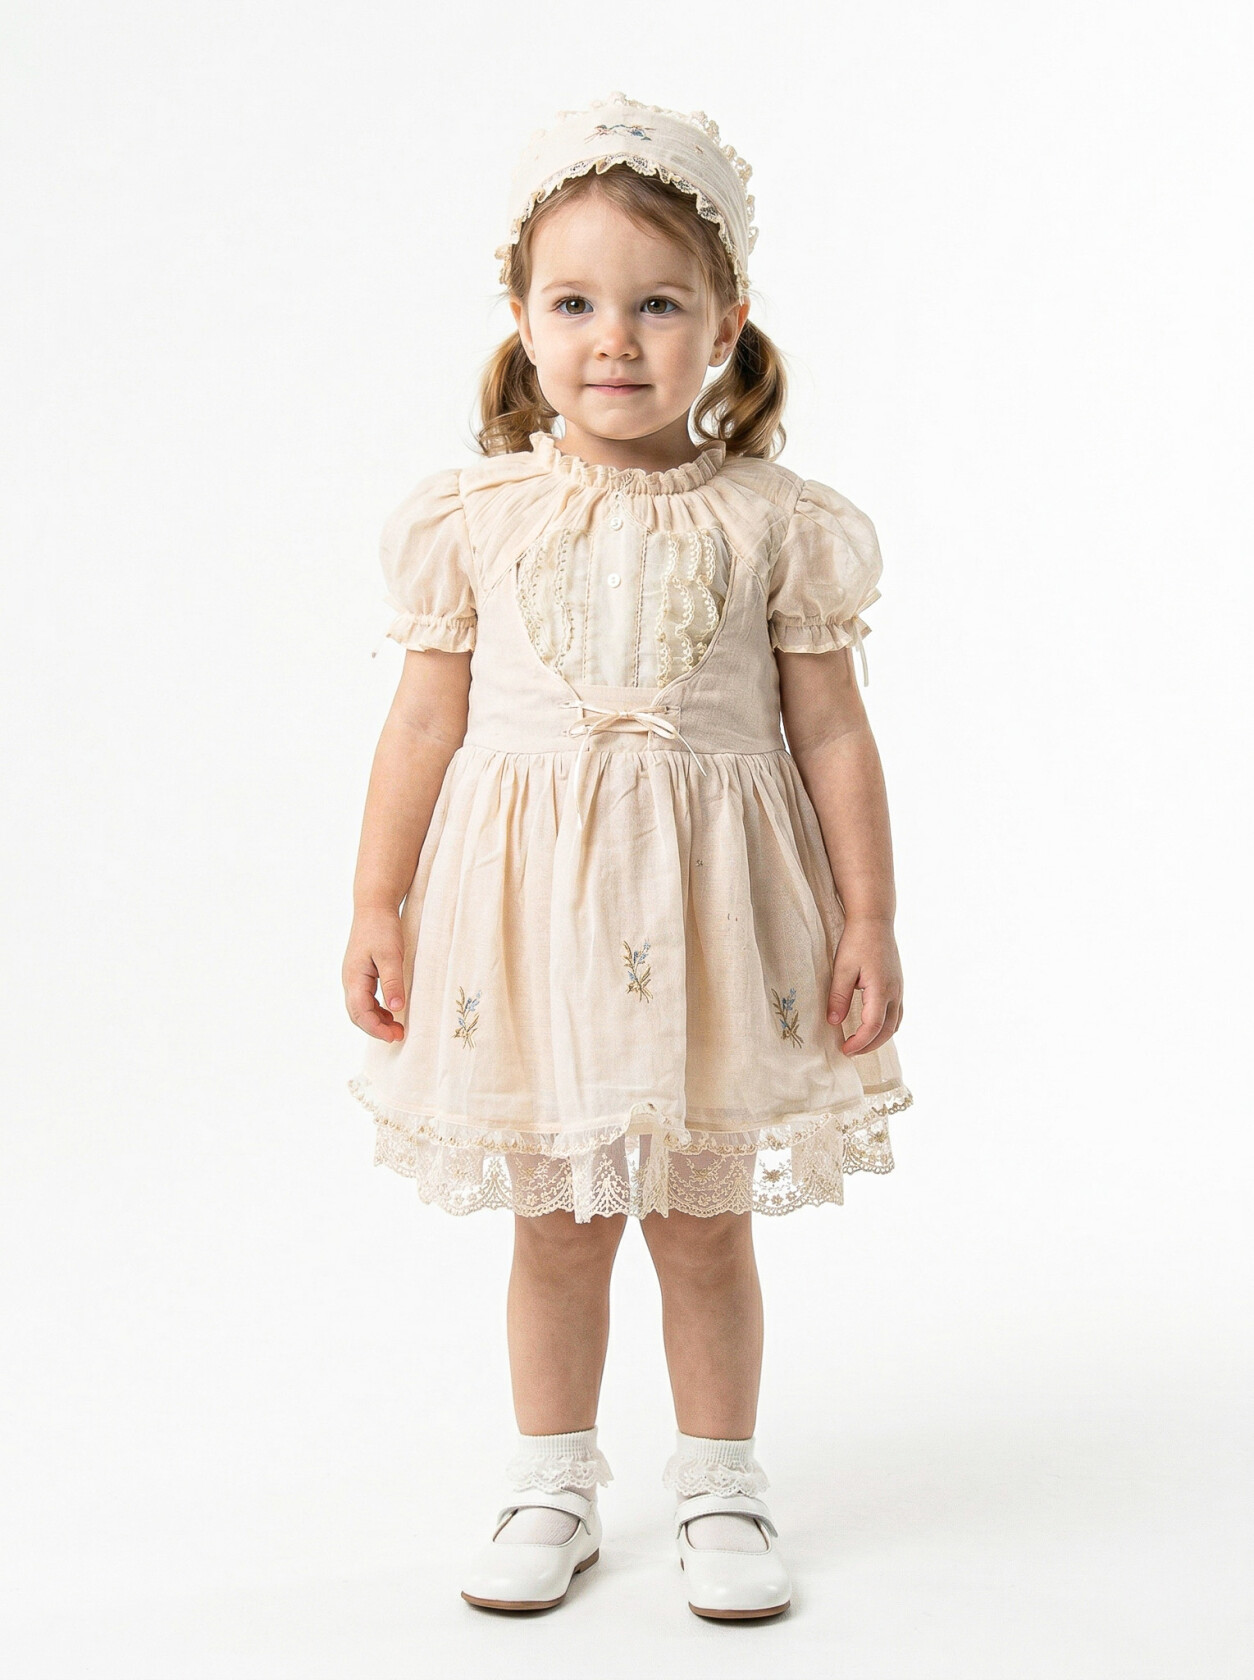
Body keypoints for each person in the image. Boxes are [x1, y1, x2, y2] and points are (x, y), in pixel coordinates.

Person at [342, 91, 914, 1621]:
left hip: (710, 923)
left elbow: (832, 732)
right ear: (522, 321)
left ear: (724, 324)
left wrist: (869, 915)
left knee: (704, 1222)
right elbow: (421, 724)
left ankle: (720, 1480)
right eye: (575, 304)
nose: (614, 339)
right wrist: (377, 900)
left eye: (657, 304)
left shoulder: (774, 521)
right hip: (529, 926)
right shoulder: (474, 518)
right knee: (556, 1223)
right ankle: (552, 1478)